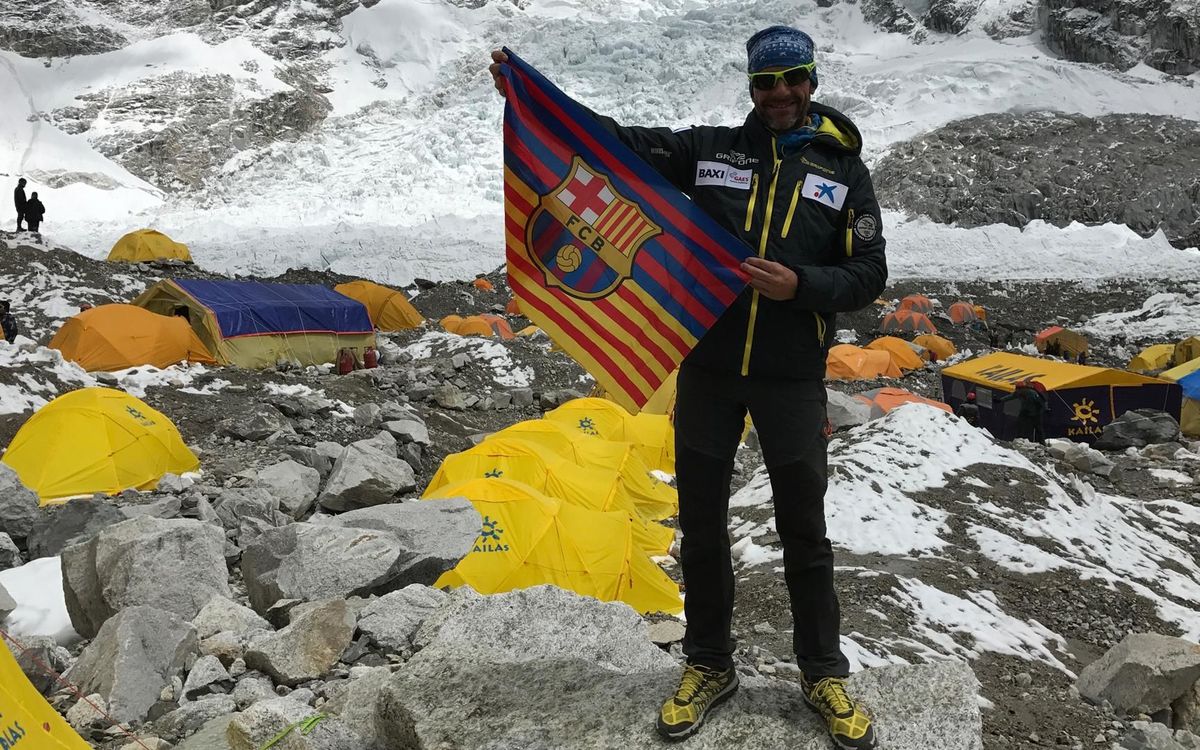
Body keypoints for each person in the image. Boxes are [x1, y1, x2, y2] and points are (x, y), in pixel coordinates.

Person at [490, 26, 886, 749]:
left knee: (805, 531)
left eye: (792, 79)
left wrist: (802, 285)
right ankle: (708, 664)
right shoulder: (708, 152)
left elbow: (869, 276)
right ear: (750, 86)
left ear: (812, 80)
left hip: (792, 376)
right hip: (705, 370)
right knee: (700, 524)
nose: (780, 95)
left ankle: (823, 673)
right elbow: (610, 145)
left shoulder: (844, 172)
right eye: (766, 83)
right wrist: (533, 99)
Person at [998, 379, 1048, 443]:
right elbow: (1012, 396)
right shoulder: (1022, 392)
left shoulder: (1030, 393)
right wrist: (1000, 400)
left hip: (1035, 412)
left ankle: (1037, 442)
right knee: (1033, 427)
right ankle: (1028, 440)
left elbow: (1039, 402)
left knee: (1035, 428)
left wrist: (1038, 411)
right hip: (1027, 411)